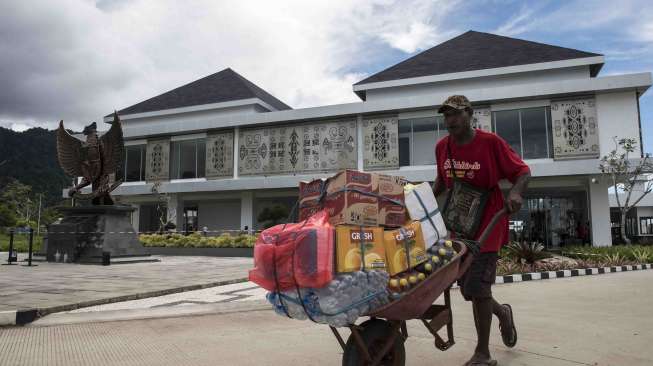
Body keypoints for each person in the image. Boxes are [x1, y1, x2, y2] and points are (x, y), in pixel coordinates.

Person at [433, 95, 531, 366]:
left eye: (455, 114)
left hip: (489, 221)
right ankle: (503, 314)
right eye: (446, 115)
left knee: (478, 286)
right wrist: (424, 203)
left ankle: (483, 353)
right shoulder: (442, 147)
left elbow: (523, 172)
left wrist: (516, 193)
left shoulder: (491, 143)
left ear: (469, 114)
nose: (449, 120)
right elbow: (442, 180)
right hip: (460, 224)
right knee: (469, 288)